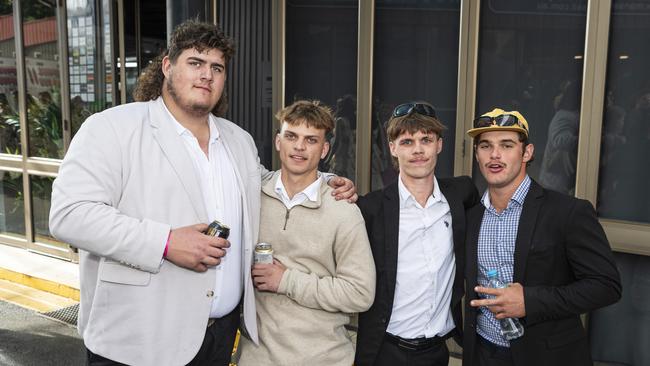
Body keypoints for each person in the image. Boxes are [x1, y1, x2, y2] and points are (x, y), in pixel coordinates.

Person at [48, 20, 355, 366]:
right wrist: (165, 242)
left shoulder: (238, 140)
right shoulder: (112, 128)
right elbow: (69, 215)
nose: (206, 75)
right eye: (195, 63)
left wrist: (324, 181)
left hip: (219, 339)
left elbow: (268, 185)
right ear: (167, 66)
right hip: (139, 341)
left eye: (217, 68)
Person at [463, 108, 622, 366]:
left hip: (547, 356)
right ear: (477, 154)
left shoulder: (568, 212)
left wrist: (530, 301)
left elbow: (606, 286)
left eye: (506, 145)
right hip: (483, 352)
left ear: (527, 152)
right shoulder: (470, 217)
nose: (495, 154)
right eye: (485, 145)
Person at [237, 100, 376, 365]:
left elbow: (360, 293)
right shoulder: (251, 196)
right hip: (257, 357)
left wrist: (286, 280)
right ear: (278, 141)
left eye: (311, 140)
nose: (299, 147)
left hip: (324, 358)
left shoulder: (343, 210)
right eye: (291, 136)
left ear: (324, 150)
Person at [355, 101, 479, 366]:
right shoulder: (370, 208)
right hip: (384, 351)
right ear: (392, 148)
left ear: (439, 145)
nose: (418, 150)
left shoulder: (461, 194)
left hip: (437, 352)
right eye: (407, 142)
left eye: (426, 139)